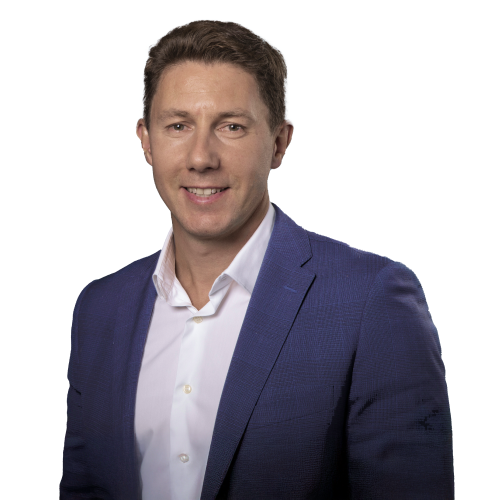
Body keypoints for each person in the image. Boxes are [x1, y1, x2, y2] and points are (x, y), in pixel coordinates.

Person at [60, 20, 454, 500]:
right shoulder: (100, 307)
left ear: (279, 143)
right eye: (178, 125)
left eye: (231, 126)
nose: (201, 158)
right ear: (146, 140)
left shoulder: (372, 300)